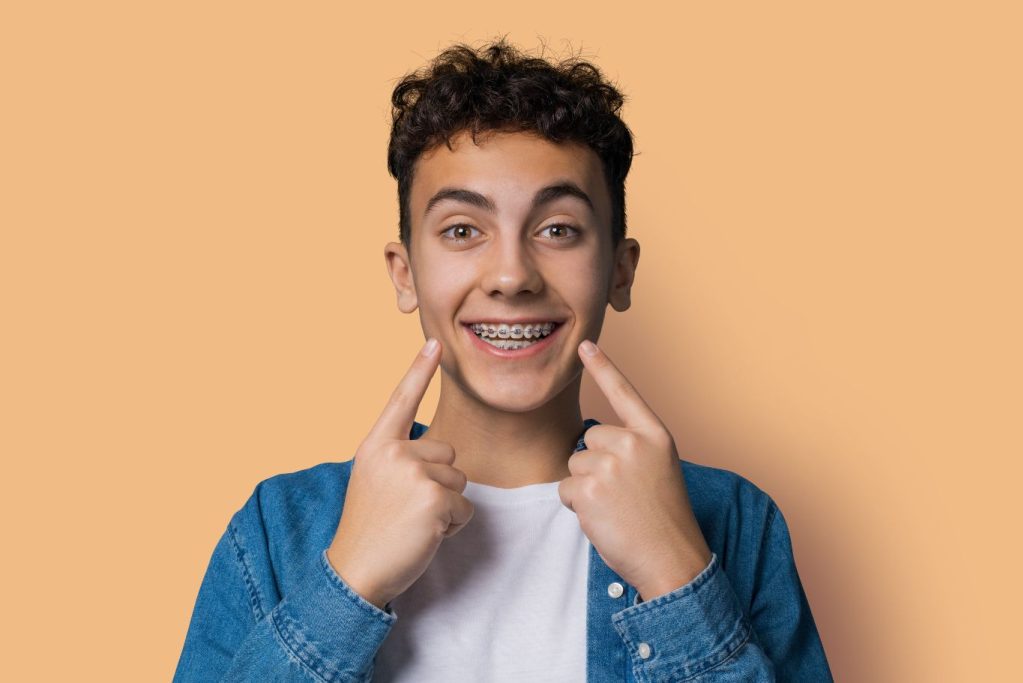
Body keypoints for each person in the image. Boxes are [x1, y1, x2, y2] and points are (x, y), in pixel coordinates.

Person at [173, 39, 833, 682]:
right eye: (463, 230)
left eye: (558, 229)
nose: (512, 274)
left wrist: (678, 578)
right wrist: (347, 584)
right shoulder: (280, 526)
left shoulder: (735, 521)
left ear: (620, 272)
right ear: (405, 275)